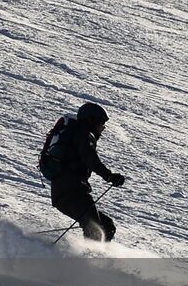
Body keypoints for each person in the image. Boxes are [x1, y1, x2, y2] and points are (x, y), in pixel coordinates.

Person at [39, 101, 126, 241]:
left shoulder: (78, 134)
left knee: (106, 225)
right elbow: (90, 158)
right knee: (96, 228)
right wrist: (109, 176)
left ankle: (94, 258)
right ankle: (88, 261)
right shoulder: (83, 134)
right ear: (91, 120)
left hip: (64, 193)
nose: (103, 127)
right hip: (72, 192)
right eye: (101, 122)